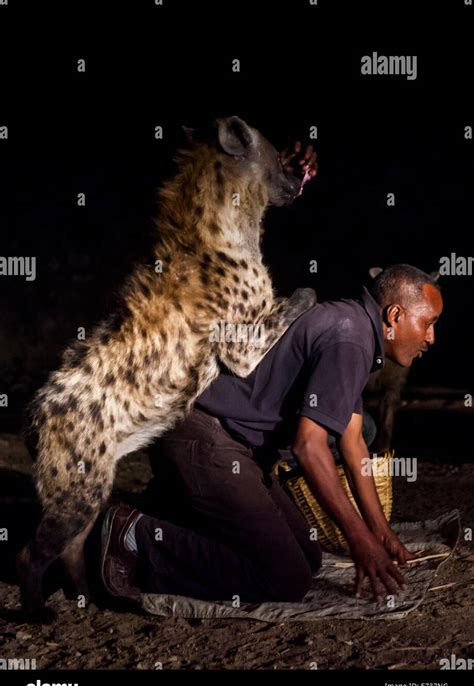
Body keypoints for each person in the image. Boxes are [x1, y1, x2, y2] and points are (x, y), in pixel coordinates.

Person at [100, 159, 443, 607]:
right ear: (396, 316)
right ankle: (134, 536)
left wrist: (380, 534)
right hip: (205, 436)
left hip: (231, 445)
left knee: (308, 556)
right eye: (429, 323)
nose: (432, 337)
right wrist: (359, 541)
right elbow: (309, 446)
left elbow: (355, 444)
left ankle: (176, 509)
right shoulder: (351, 337)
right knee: (284, 579)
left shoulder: (355, 329)